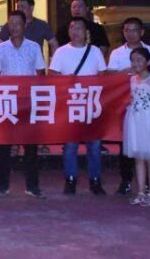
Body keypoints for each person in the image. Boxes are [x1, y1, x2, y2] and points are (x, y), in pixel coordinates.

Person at [0, 11, 47, 199]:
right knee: (4, 146)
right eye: (11, 24)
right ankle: (2, 185)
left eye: (17, 24)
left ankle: (32, 186)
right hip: (7, 101)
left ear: (24, 26)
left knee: (30, 147)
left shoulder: (34, 47)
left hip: (28, 102)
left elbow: (40, 73)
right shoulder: (1, 49)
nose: (14, 27)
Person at [49, 16, 109, 196]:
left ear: (86, 32)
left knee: (94, 145)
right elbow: (52, 75)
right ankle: (70, 179)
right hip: (71, 104)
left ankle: (95, 180)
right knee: (70, 145)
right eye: (72, 28)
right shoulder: (61, 52)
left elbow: (103, 75)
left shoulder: (95, 51)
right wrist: (68, 81)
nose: (75, 32)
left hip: (91, 104)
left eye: (79, 28)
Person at [107, 17, 150, 196]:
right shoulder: (116, 53)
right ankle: (126, 181)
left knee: (149, 148)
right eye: (126, 30)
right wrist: (126, 73)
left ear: (142, 32)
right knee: (127, 144)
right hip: (125, 107)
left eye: (134, 30)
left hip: (148, 108)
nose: (130, 34)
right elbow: (110, 77)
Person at [123, 47, 150, 207]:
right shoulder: (132, 80)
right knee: (139, 158)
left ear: (148, 62)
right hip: (135, 121)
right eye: (133, 60)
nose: (135, 63)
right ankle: (141, 192)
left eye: (139, 60)